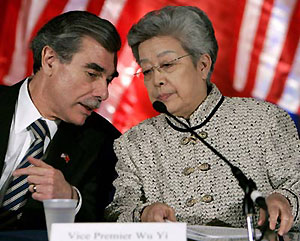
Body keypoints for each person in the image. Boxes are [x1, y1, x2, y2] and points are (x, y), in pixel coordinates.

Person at [105, 6, 300, 235]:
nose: (157, 79)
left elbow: (296, 185)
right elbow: (117, 212)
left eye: (167, 65)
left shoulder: (265, 120)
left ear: (203, 65)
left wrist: (286, 202)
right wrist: (143, 214)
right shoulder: (135, 143)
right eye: (147, 70)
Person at [0, 11, 121, 230]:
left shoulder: (106, 144)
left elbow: (109, 224)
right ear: (50, 61)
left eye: (108, 80)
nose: (103, 93)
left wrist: (70, 200)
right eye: (92, 74)